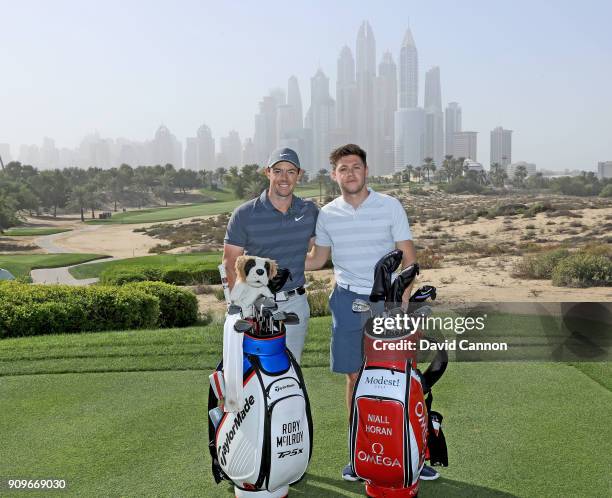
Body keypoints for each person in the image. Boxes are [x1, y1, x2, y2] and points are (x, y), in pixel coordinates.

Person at [305, 143, 439, 482]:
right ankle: (359, 452)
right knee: (354, 376)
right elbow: (318, 260)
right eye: (343, 169)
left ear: (366, 170)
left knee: (404, 374)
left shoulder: (390, 206)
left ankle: (413, 451)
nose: (350, 173)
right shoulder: (328, 214)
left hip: (388, 303)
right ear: (334, 175)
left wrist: (402, 301)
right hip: (348, 302)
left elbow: (408, 258)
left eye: (356, 167)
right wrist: (273, 262)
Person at [223, 147, 318, 363]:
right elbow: (230, 264)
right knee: (247, 369)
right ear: (268, 173)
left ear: (299, 175)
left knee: (289, 370)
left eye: (290, 172)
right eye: (278, 171)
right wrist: (239, 305)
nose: (284, 178)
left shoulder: (309, 211)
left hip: (295, 303)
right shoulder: (245, 214)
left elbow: (319, 253)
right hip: (254, 302)